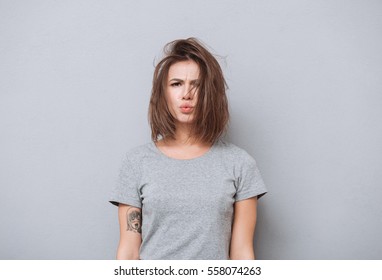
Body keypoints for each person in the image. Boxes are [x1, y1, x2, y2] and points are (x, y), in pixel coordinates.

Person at [109, 38, 267, 260]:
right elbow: (128, 252)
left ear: (210, 93)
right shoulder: (136, 162)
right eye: (176, 84)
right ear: (162, 94)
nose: (186, 94)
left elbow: (241, 254)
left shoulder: (239, 163)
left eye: (197, 85)